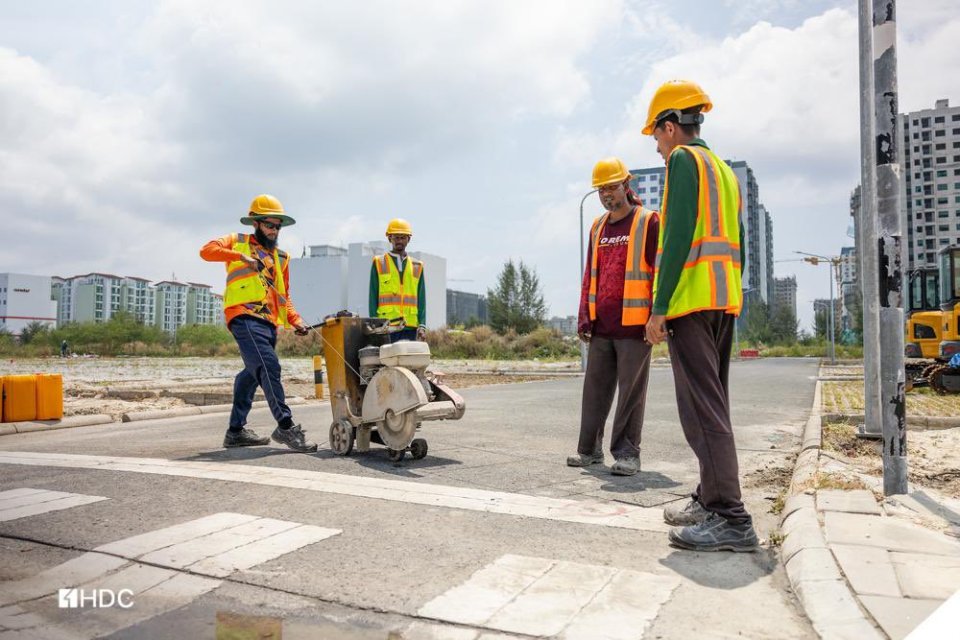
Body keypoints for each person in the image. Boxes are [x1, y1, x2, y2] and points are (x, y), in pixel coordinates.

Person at [642, 80, 757, 552]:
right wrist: (730, 292)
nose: (656, 143)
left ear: (672, 127)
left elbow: (676, 241)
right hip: (722, 301)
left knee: (701, 410)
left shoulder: (685, 162)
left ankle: (731, 517)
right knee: (714, 405)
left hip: (691, 303)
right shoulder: (724, 170)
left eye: (656, 134)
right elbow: (741, 245)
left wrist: (659, 307)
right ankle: (711, 498)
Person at [200, 194, 317, 453]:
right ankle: (286, 427)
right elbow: (205, 251)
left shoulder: (281, 258)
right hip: (243, 316)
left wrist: (296, 321)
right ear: (256, 223)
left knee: (250, 375)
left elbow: (284, 297)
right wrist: (240, 258)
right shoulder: (236, 242)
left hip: (268, 323)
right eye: (269, 225)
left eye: (277, 226)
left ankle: (235, 432)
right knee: (268, 365)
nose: (274, 231)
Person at [567, 157, 659, 477]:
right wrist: (584, 316)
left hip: (635, 327)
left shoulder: (648, 222)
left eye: (611, 187)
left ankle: (627, 454)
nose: (606, 194)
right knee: (595, 391)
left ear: (626, 184)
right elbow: (589, 274)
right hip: (602, 325)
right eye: (600, 189)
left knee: (630, 394)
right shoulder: (598, 226)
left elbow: (660, 273)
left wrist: (658, 317)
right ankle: (589, 451)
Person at [369, 218, 427, 343]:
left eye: (402, 237)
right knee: (388, 361)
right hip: (386, 326)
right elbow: (373, 296)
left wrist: (422, 325)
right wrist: (374, 324)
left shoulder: (417, 266)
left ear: (408, 239)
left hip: (410, 326)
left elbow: (421, 299)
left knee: (408, 361)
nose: (399, 241)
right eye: (396, 237)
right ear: (389, 238)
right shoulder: (379, 263)